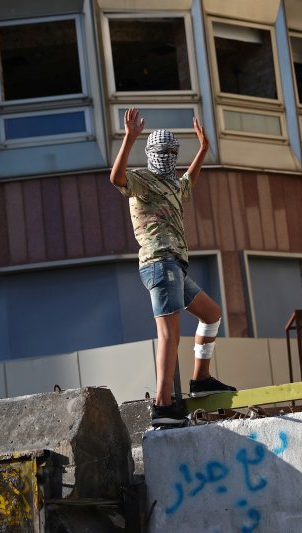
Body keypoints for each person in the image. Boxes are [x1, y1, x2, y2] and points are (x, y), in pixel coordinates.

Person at [110, 108, 236, 427]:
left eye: (172, 152)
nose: (167, 157)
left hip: (176, 266)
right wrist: (129, 139)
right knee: (169, 334)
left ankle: (201, 378)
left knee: (211, 314)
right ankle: (163, 405)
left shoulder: (175, 186)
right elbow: (116, 178)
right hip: (158, 262)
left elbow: (190, 178)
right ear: (150, 154)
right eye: (161, 152)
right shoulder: (142, 181)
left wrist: (204, 148)